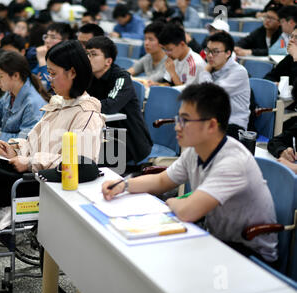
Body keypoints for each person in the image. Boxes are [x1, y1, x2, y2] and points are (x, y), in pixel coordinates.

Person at [0, 40, 105, 286]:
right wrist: (15, 148)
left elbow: (79, 163)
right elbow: (33, 140)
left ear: (73, 73)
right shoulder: (58, 104)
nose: (49, 79)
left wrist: (30, 161)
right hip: (29, 173)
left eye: (54, 74)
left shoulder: (86, 113)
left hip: (48, 184)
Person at [102, 82, 279, 266]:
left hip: (251, 256)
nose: (177, 127)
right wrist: (124, 185)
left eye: (185, 120)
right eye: (178, 119)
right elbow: (162, 180)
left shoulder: (232, 162)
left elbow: (187, 212)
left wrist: (172, 202)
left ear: (211, 125)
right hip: (217, 239)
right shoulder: (196, 150)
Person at [86, 36, 153, 166]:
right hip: (105, 137)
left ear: (108, 61)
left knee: (85, 161)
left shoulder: (121, 77)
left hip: (130, 142)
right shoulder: (89, 77)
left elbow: (111, 106)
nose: (88, 58)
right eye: (87, 54)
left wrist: (85, 104)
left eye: (93, 54)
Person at [198, 31, 250, 139]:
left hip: (233, 125)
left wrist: (205, 72)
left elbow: (211, 94)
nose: (210, 55)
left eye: (215, 52)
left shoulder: (239, 72)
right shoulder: (212, 68)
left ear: (228, 53)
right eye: (208, 50)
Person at [157, 23, 206, 89]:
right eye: (164, 49)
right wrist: (154, 84)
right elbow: (168, 84)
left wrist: (173, 73)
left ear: (182, 44)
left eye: (169, 49)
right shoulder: (174, 57)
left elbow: (186, 94)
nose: (167, 53)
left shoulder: (195, 64)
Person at [32, 22, 73, 90]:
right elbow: (32, 78)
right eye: (46, 36)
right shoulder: (47, 55)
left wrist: (42, 61)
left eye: (53, 37)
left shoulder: (68, 61)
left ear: (65, 41)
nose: (47, 41)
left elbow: (49, 86)